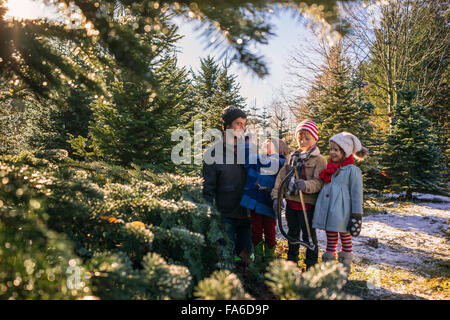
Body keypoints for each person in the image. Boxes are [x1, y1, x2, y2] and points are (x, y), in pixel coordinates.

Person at [271, 119, 327, 270]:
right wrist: (276, 196)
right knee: (292, 233)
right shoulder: (291, 158)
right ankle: (292, 261)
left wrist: (306, 185)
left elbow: (319, 181)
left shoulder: (319, 160)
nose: (303, 141)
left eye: (307, 138)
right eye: (300, 138)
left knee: (309, 235)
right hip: (291, 203)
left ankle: (311, 265)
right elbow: (281, 178)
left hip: (307, 204)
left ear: (315, 138)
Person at [202, 106, 253, 265]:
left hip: (247, 214)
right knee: (225, 258)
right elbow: (207, 188)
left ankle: (246, 285)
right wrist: (211, 215)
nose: (242, 128)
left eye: (244, 124)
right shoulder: (213, 153)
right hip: (226, 215)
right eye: (238, 123)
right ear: (227, 126)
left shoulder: (248, 149)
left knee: (245, 259)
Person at [312, 131, 369, 274]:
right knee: (330, 236)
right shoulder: (330, 168)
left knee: (345, 236)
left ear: (345, 152)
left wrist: (356, 215)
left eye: (336, 150)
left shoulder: (353, 170)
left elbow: (357, 194)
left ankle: (345, 267)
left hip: (344, 212)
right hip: (330, 211)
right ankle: (329, 266)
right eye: (331, 149)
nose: (332, 152)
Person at [240, 137, 290, 265]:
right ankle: (257, 256)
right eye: (264, 143)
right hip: (255, 202)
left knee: (270, 231)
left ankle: (268, 258)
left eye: (269, 143)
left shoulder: (280, 162)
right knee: (255, 231)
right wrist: (246, 146)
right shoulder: (257, 159)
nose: (264, 144)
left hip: (268, 202)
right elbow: (246, 163)